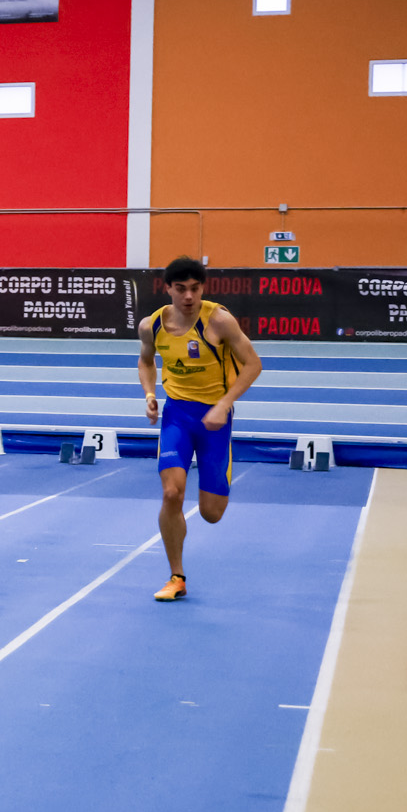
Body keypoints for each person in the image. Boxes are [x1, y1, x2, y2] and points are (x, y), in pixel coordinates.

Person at [139, 256, 262, 602]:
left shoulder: (219, 320)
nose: (189, 296)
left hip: (215, 421)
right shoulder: (152, 325)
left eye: (195, 289)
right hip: (177, 415)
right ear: (168, 289)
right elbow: (146, 361)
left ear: (203, 288)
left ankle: (215, 487)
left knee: (211, 513)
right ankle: (176, 576)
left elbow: (254, 364)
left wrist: (224, 404)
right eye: (181, 289)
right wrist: (149, 395)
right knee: (171, 494)